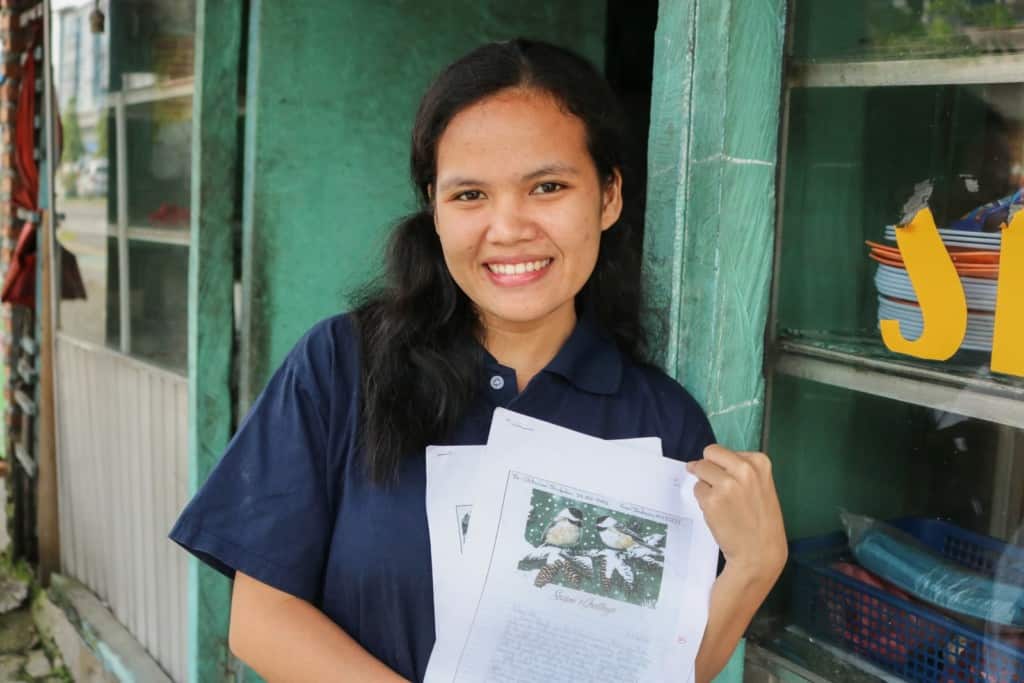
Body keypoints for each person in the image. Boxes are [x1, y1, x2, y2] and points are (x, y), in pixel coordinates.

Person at [169, 38, 787, 683]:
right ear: (434, 209)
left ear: (607, 197)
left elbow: (659, 667)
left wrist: (753, 568)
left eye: (547, 186)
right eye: (470, 196)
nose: (509, 227)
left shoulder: (662, 424)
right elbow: (261, 618)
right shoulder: (343, 367)